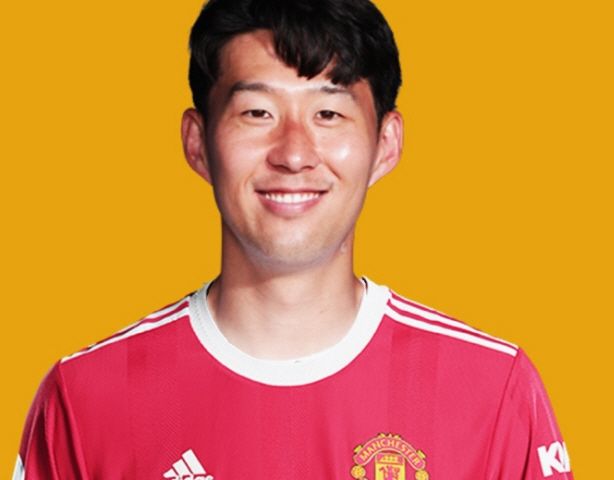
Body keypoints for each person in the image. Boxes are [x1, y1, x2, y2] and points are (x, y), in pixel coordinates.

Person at [13, 0, 573, 478]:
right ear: (198, 142)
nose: (295, 153)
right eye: (257, 112)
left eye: (328, 113)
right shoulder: (85, 399)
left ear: (386, 144)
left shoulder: (492, 391)